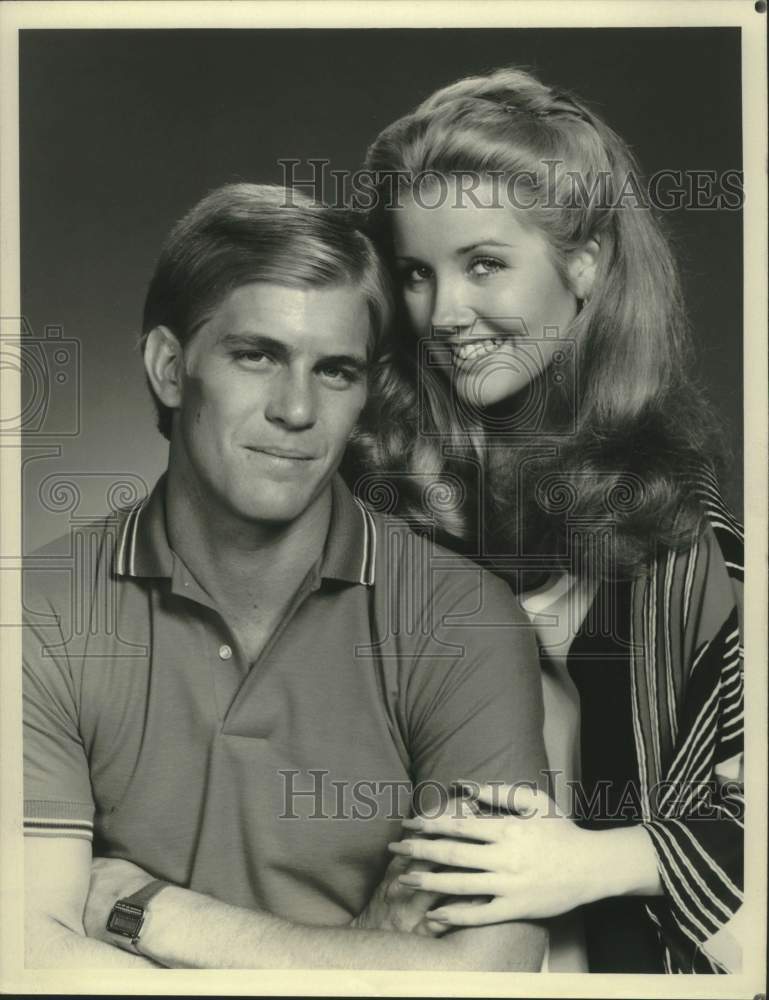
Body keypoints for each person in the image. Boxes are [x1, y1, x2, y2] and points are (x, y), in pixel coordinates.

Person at [22, 182, 548, 970]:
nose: (296, 410)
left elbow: (490, 973)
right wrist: (364, 951)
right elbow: (28, 960)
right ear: (170, 368)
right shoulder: (37, 612)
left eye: (334, 371)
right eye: (257, 355)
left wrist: (150, 914)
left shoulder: (460, 617)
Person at [346, 67, 744, 974]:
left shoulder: (682, 526)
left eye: (483, 264)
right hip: (402, 955)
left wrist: (587, 862)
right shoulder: (369, 481)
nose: (445, 314)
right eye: (416, 274)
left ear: (584, 263)